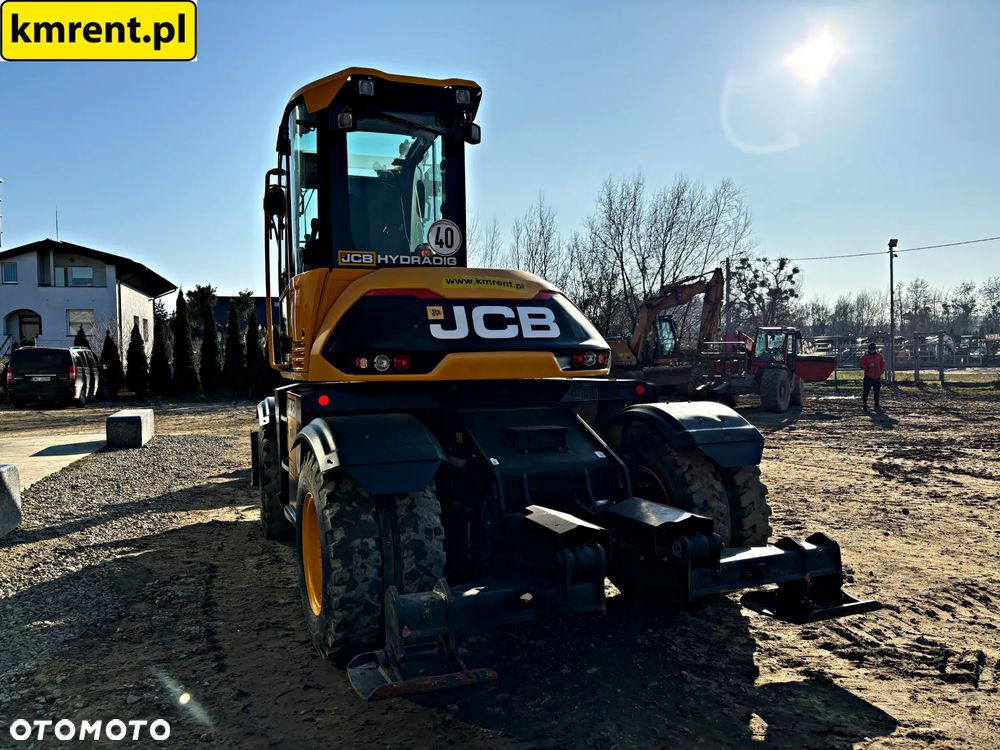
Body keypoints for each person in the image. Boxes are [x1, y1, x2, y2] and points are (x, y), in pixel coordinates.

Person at [859, 343, 885, 411]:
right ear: (868, 349)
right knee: (866, 391)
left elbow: (882, 364)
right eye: (870, 350)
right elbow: (861, 365)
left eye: (873, 350)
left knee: (877, 392)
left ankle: (876, 404)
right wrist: (868, 366)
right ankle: (864, 404)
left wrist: (881, 372)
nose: (872, 351)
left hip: (877, 377)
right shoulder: (865, 356)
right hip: (868, 377)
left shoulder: (879, 356)